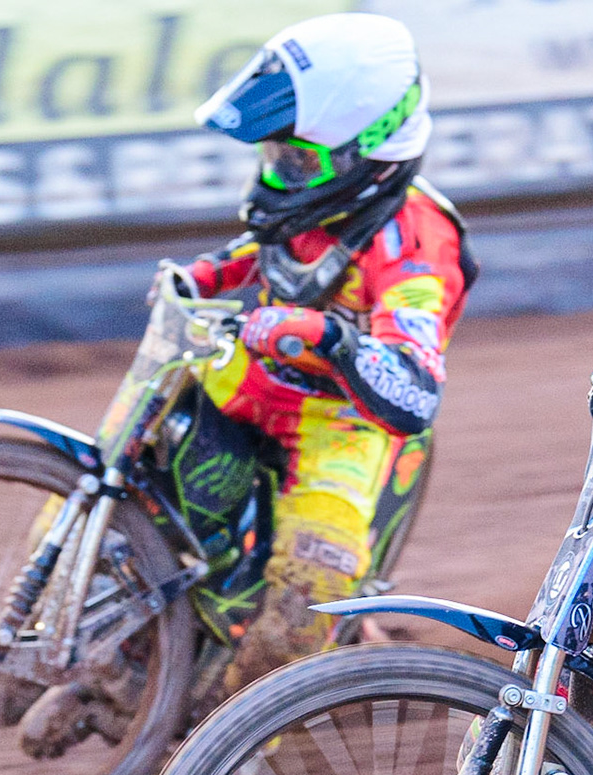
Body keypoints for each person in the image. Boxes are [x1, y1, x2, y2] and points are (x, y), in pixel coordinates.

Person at [178, 12, 474, 707]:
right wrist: (204, 277)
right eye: (275, 157)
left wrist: (330, 336)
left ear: (367, 154)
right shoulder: (312, 206)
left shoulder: (415, 245)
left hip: (340, 428)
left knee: (302, 606)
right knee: (139, 482)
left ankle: (228, 735)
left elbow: (414, 388)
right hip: (244, 386)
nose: (279, 175)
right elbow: (268, 252)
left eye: (299, 163)